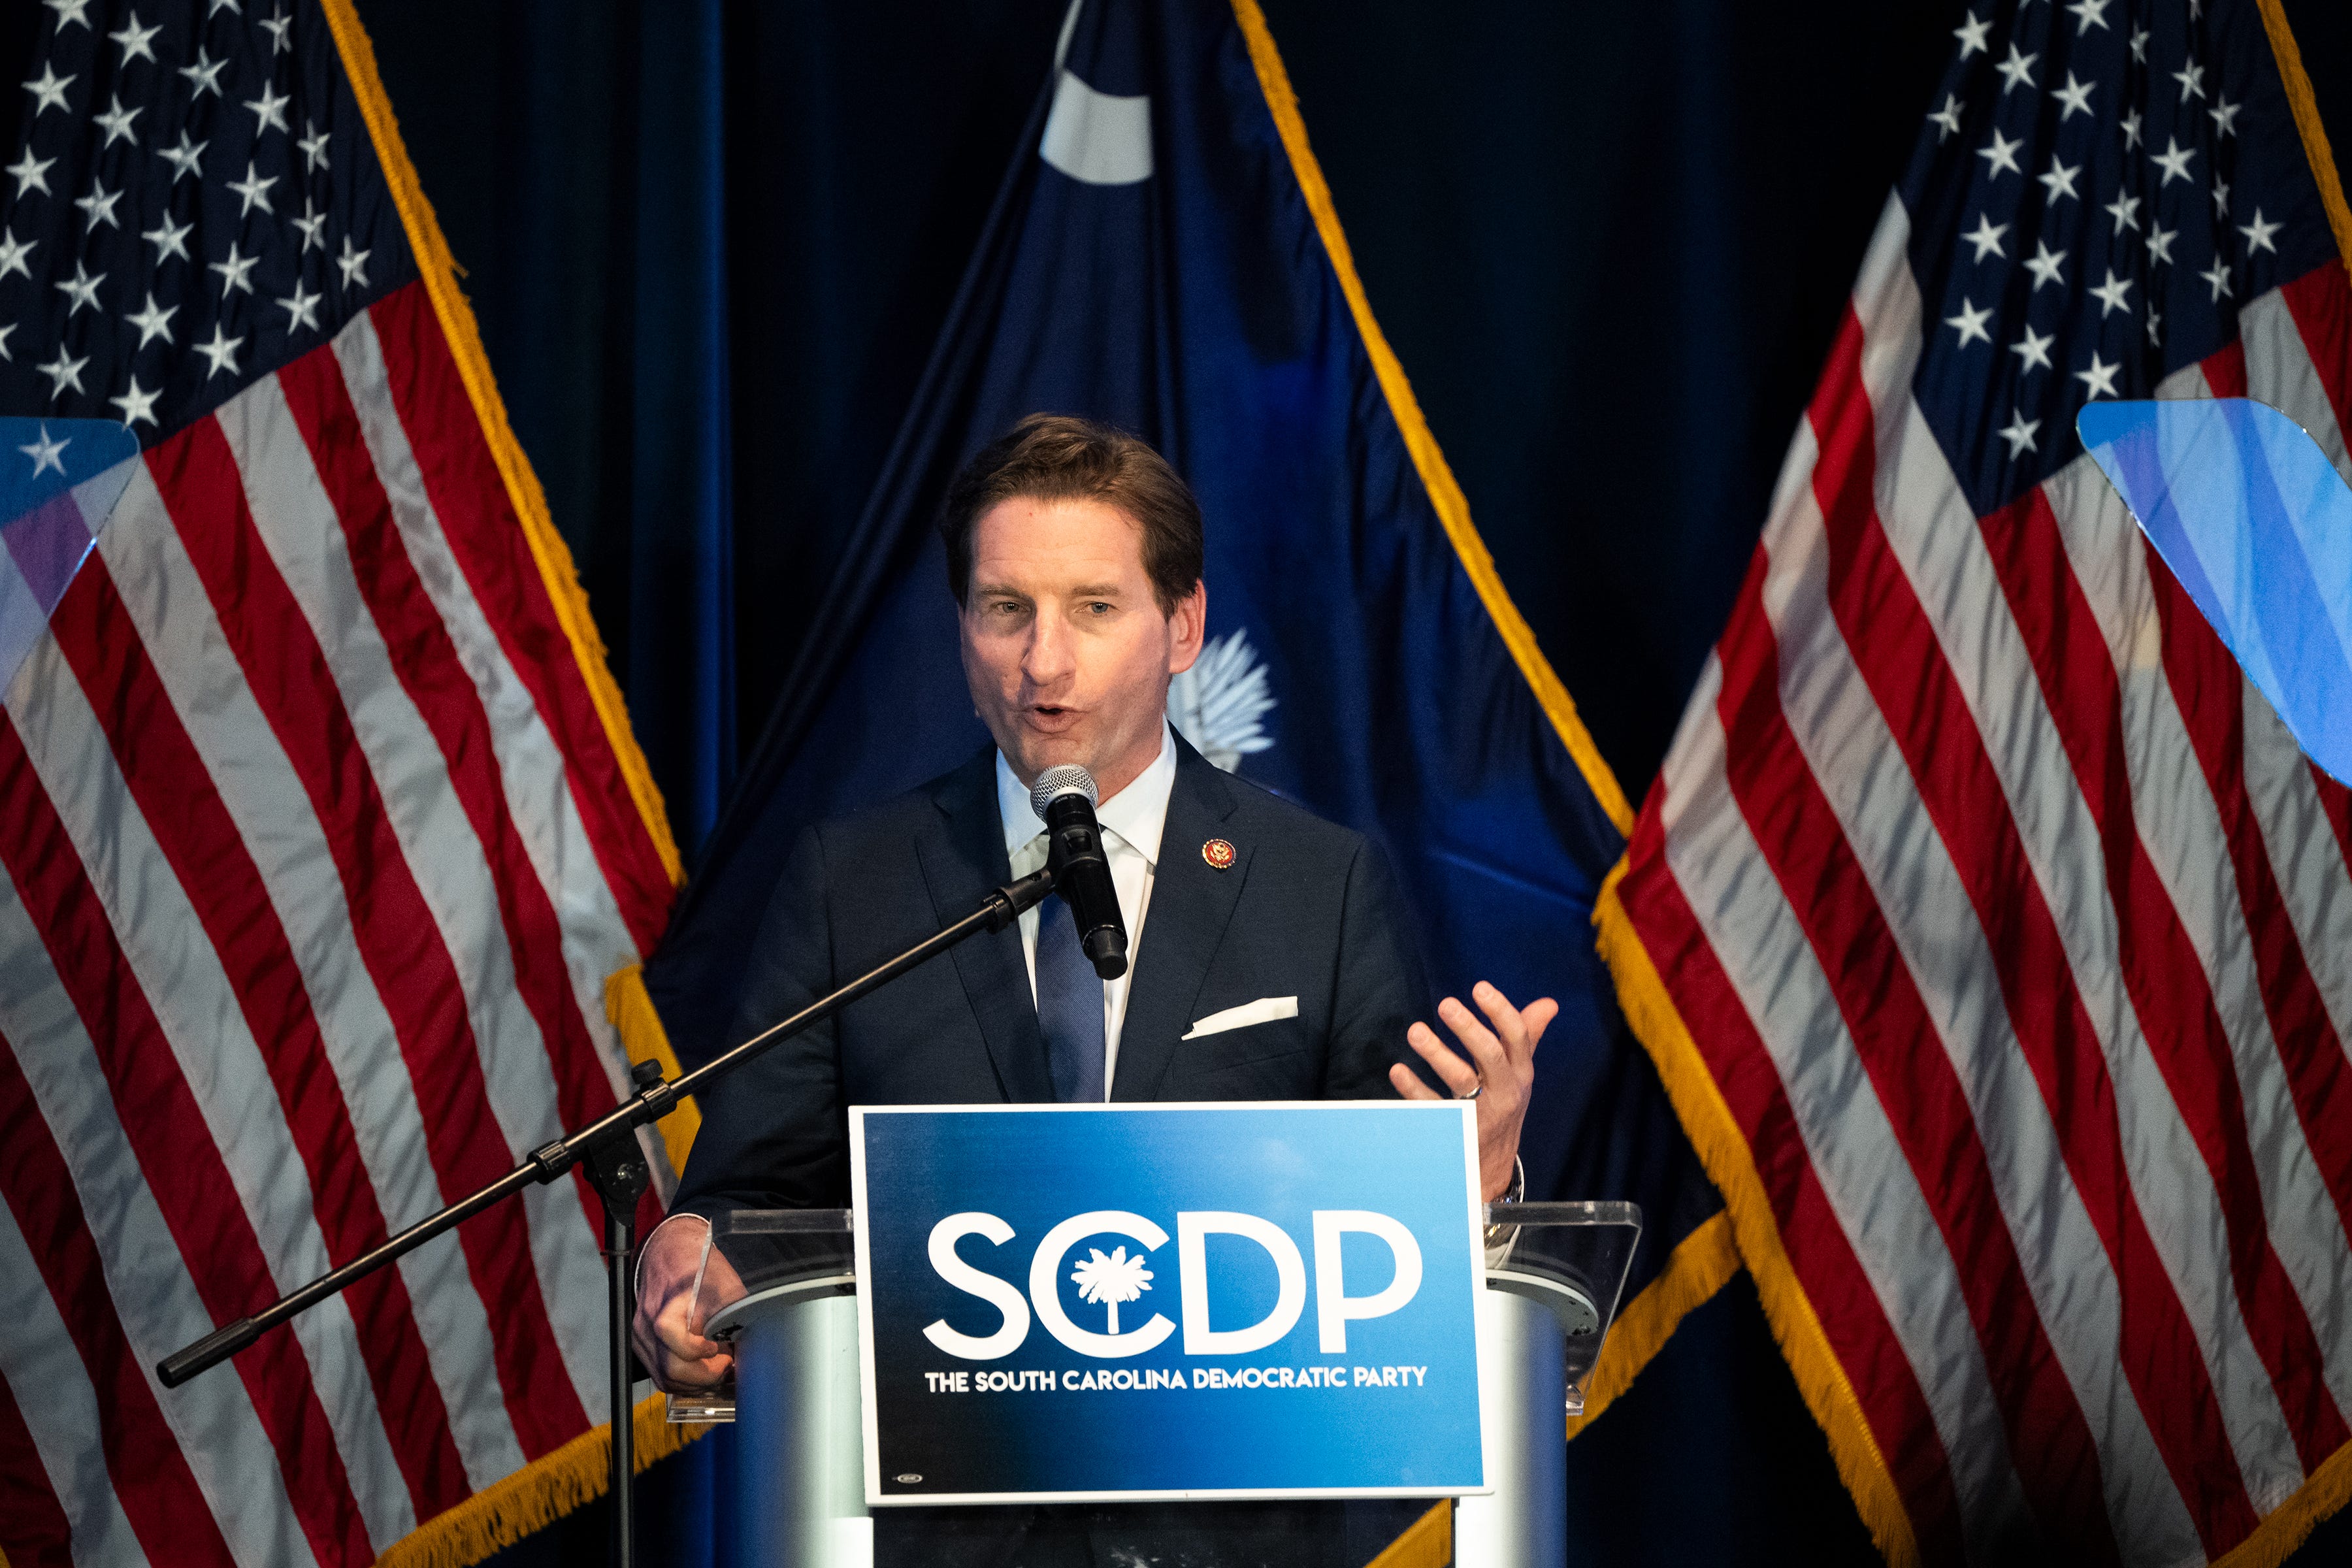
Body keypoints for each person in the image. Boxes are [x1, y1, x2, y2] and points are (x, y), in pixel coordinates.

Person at [632, 414, 1555, 1564]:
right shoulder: (850, 886)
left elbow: (1383, 1264)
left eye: (1095, 608)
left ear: (1184, 627)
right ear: (963, 627)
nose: (1044, 662)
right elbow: (748, 1201)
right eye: (1006, 608)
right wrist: (691, 1251)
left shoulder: (1317, 886)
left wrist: (1471, 1182)